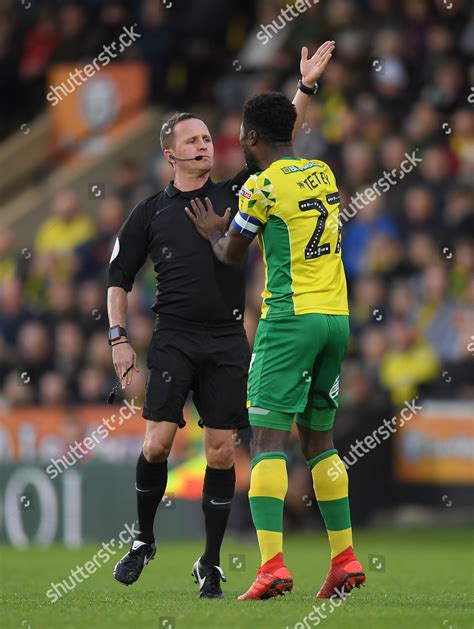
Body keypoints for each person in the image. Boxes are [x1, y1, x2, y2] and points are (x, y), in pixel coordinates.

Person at [107, 42, 335, 598]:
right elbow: (118, 277)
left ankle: (210, 561)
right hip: (174, 338)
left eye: (208, 137)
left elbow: (280, 142)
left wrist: (304, 88)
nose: (205, 144)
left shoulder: (239, 191)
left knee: (220, 452)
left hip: (229, 338)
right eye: (192, 140)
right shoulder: (149, 213)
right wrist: (117, 337)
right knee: (158, 442)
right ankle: (143, 539)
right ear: (171, 155)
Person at [185, 90, 365, 600]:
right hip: (336, 318)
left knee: (266, 442)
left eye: (242, 132)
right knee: (319, 443)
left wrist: (212, 232)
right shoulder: (322, 172)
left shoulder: (260, 189)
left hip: (289, 321)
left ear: (251, 137)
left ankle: (271, 568)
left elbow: (229, 253)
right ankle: (345, 558)